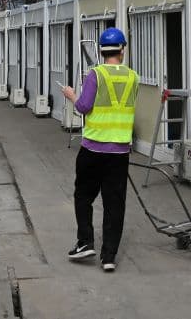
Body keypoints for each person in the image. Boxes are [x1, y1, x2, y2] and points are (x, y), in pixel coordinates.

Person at [61, 27, 138, 273]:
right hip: (119, 152)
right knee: (114, 204)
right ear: (122, 49)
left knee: (83, 196)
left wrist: (71, 95)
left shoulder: (95, 74)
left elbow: (84, 107)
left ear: (101, 50)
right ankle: (109, 257)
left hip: (93, 149)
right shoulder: (133, 77)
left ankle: (85, 242)